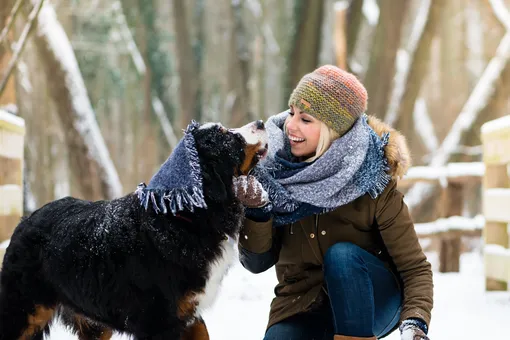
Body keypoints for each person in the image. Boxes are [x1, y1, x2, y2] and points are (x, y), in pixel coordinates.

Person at [233, 65, 433, 340]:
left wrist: (415, 322)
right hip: (302, 305)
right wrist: (258, 212)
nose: (290, 125)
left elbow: (414, 268)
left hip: (372, 300)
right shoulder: (272, 172)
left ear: (333, 130)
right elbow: (257, 263)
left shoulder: (371, 178)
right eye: (292, 112)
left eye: (306, 120)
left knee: (342, 256)